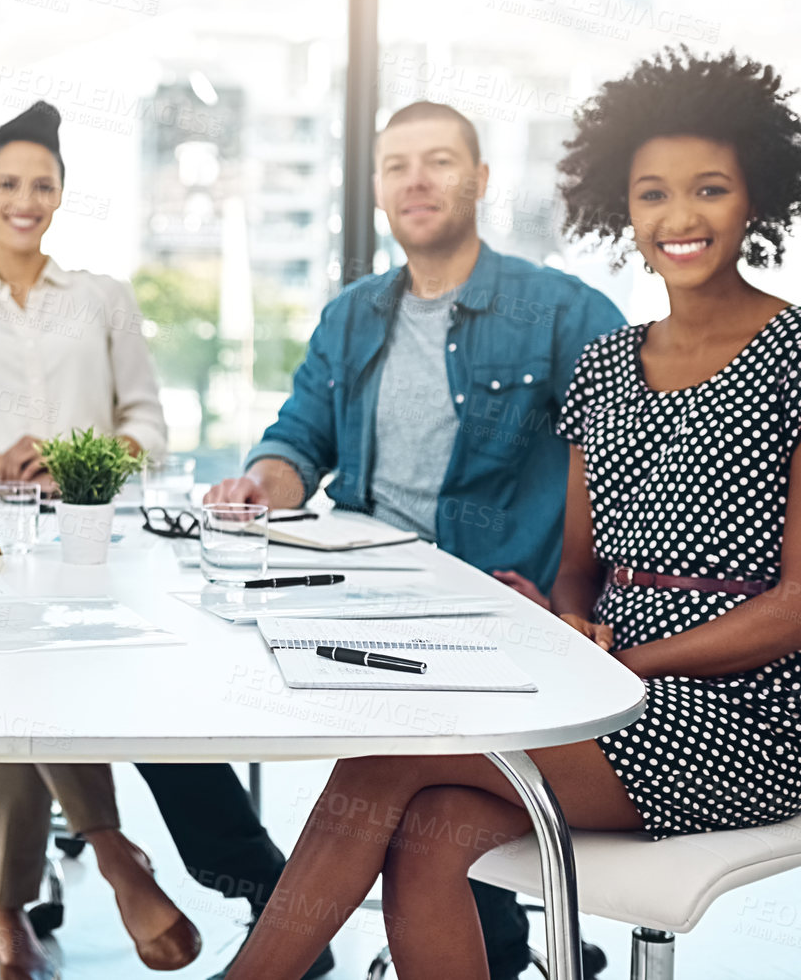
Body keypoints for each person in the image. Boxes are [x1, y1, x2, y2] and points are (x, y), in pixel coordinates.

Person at [223, 49, 801, 978]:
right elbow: (582, 564)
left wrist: (615, 661)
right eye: (652, 194)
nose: (679, 217)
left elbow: (799, 606)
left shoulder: (799, 353)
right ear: (624, 209)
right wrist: (568, 617)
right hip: (602, 680)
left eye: (709, 188)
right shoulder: (608, 363)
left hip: (744, 713)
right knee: (424, 830)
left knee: (387, 761)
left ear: (755, 197)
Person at [204, 99, 626, 980]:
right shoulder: (351, 316)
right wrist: (260, 484)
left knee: (400, 761)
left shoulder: (562, 310)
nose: (416, 180)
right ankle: (497, 949)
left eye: (438, 162)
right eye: (396, 165)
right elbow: (297, 439)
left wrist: (582, 602)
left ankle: (483, 948)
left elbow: (625, 468)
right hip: (370, 605)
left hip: (496, 612)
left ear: (478, 180)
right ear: (377, 191)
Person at [0, 101, 198, 980]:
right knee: (22, 661)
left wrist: (80, 459)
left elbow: (149, 425)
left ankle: (6, 907)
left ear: (61, 196)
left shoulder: (103, 299)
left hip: (90, 536)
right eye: (9, 183)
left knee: (30, 669)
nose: (25, 199)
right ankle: (93, 857)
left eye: (43, 184)